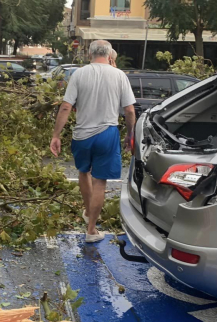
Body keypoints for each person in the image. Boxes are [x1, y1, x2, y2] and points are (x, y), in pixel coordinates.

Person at [50, 40, 137, 243]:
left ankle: (89, 212)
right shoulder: (119, 75)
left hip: (81, 135)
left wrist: (56, 135)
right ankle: (91, 229)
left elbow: (65, 107)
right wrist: (130, 133)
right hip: (107, 133)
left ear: (89, 54)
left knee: (83, 172)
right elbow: (130, 110)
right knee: (100, 182)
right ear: (110, 55)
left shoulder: (79, 74)